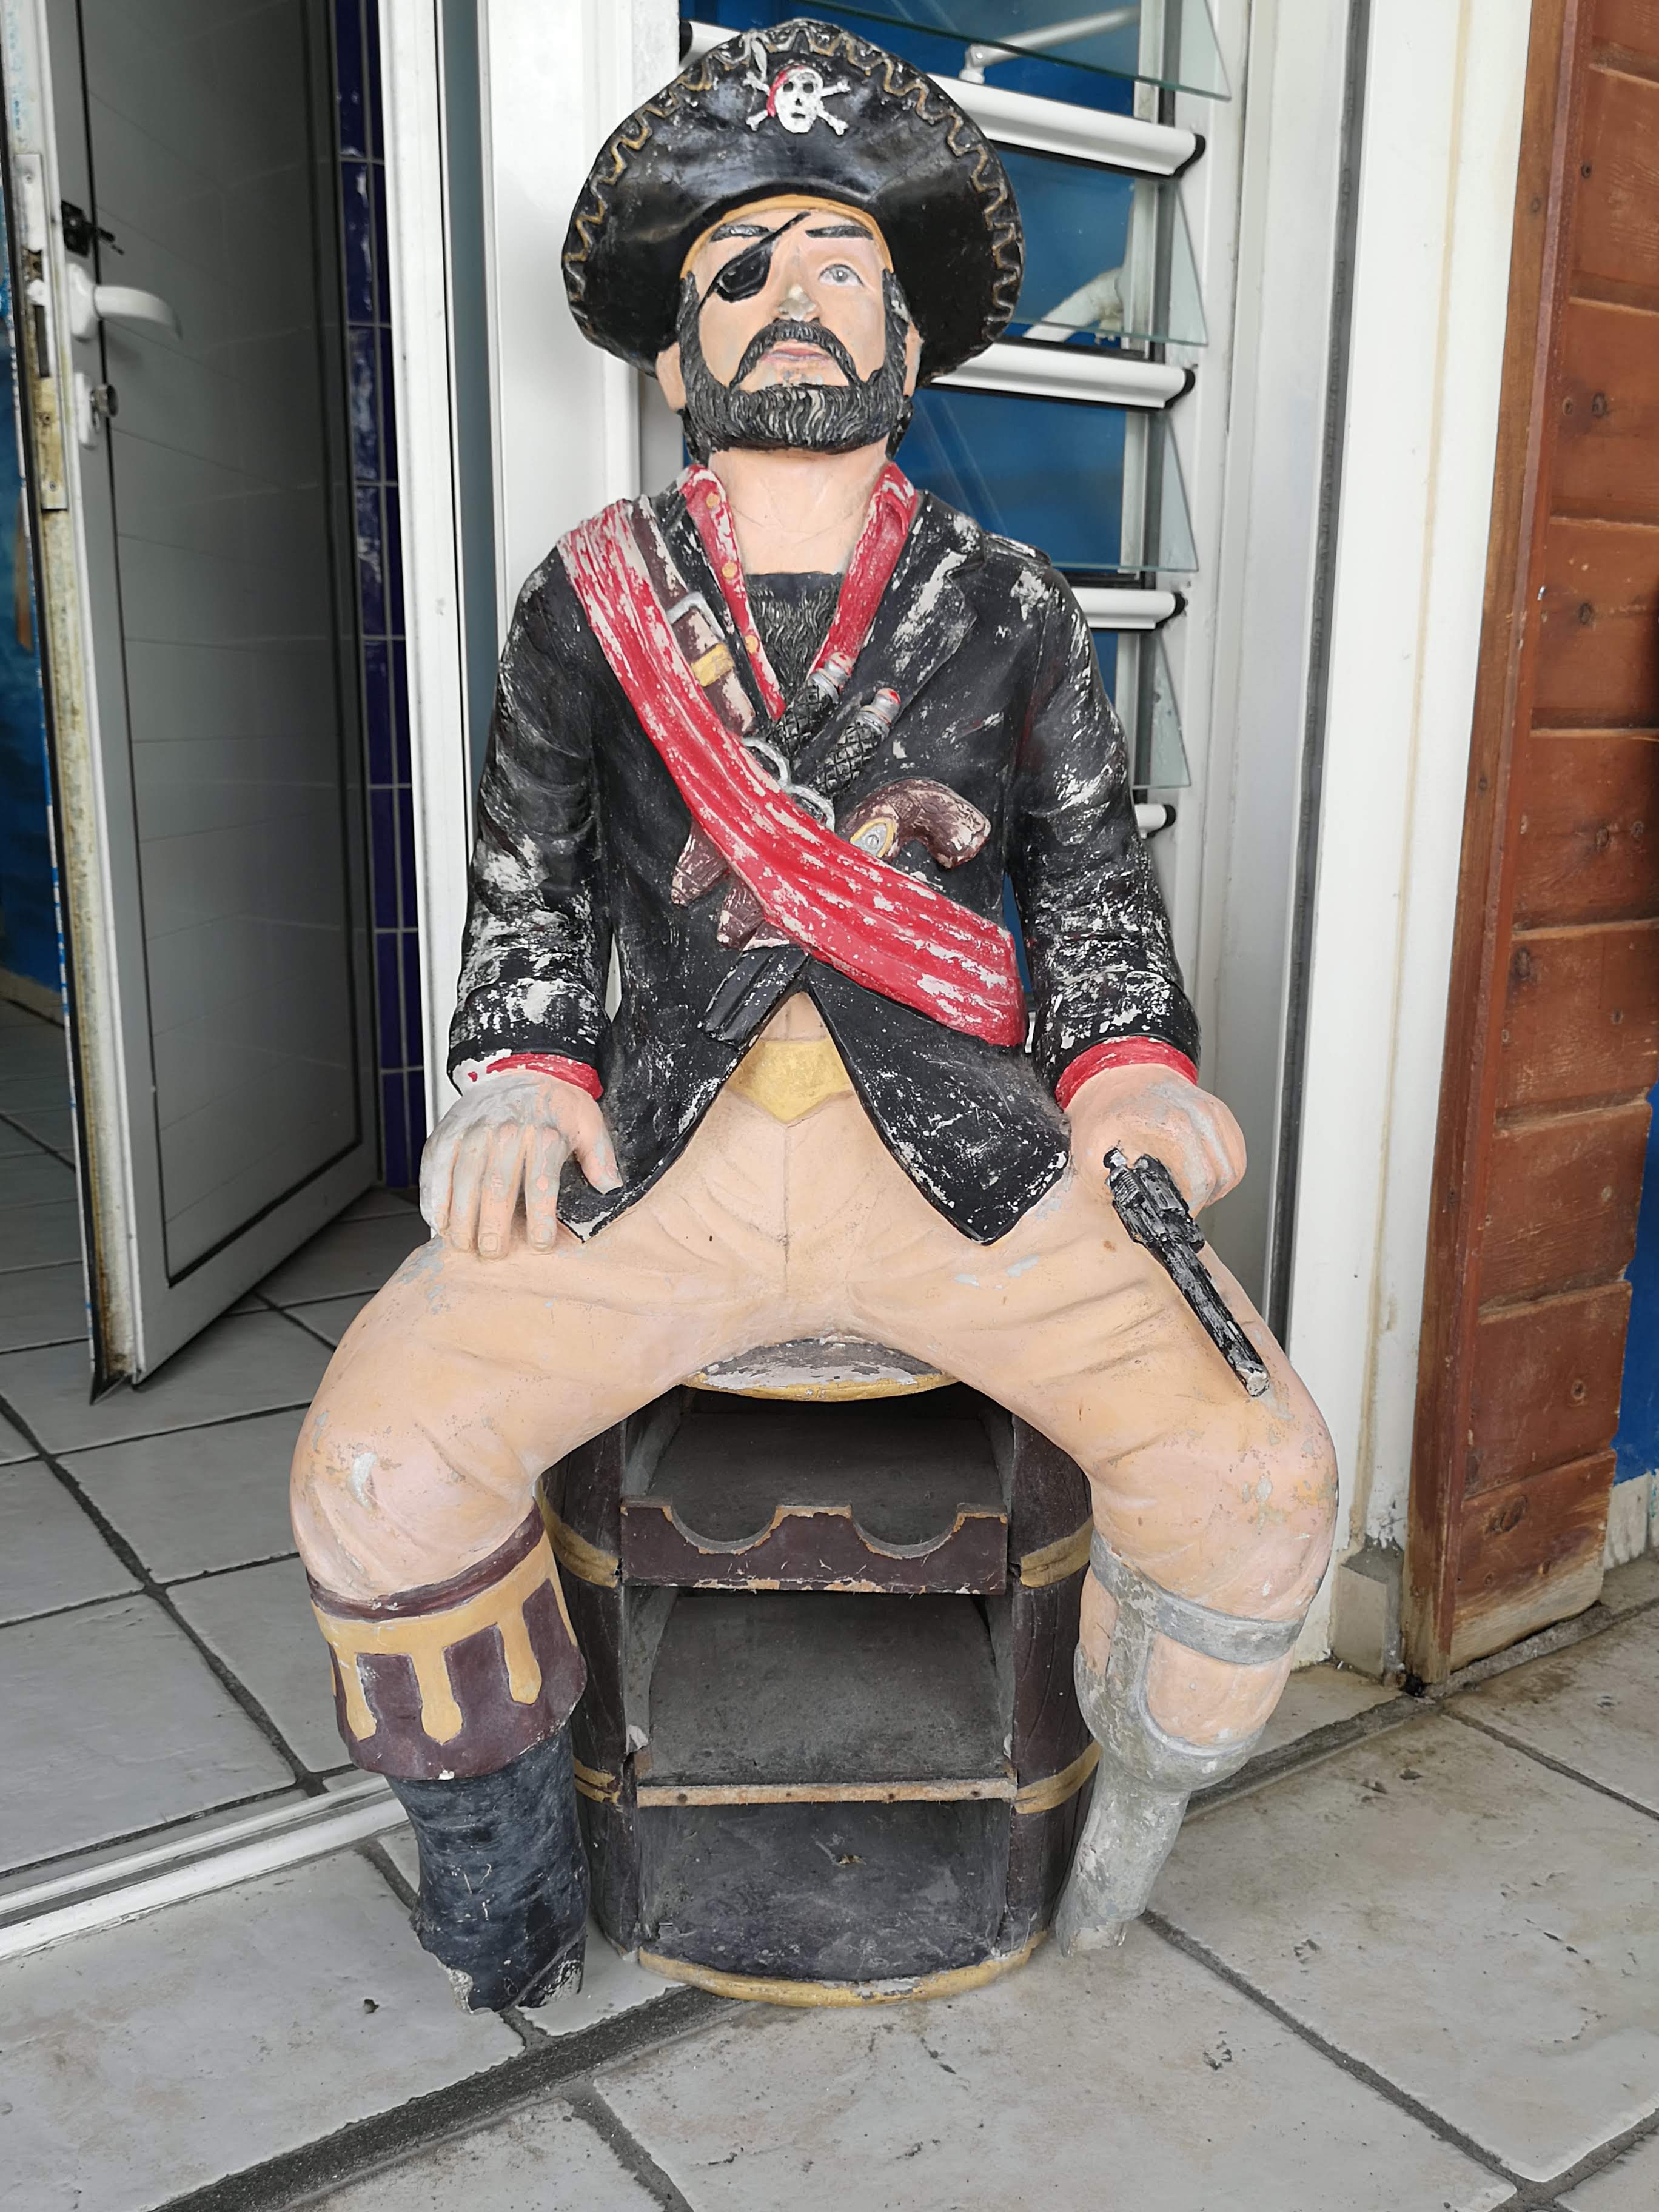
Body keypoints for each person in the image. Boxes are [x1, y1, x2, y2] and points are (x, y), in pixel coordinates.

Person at [290, 17, 1337, 2011]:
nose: (794, 299)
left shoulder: (1013, 606)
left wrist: (1127, 1067)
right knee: (377, 1455)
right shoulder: (587, 601)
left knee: (1262, 1472)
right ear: (675, 354)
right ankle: (504, 1881)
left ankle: (1130, 1835)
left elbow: (1091, 879)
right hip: (661, 1156)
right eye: (742, 270)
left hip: (964, 1157)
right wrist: (520, 1072)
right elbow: (530, 880)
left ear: (910, 344)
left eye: (843, 265)